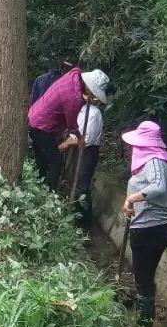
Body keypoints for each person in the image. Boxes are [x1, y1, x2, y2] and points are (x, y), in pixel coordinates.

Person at [120, 121, 167, 327]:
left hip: (151, 228)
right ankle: (144, 314)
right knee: (144, 274)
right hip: (153, 225)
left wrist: (132, 199)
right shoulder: (161, 160)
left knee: (143, 277)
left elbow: (160, 187)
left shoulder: (155, 161)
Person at [28, 67, 109, 190]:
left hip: (35, 118)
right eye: (92, 93)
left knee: (44, 158)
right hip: (42, 126)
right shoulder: (73, 97)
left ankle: (40, 185)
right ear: (87, 87)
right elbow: (72, 124)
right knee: (56, 162)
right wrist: (80, 137)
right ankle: (48, 194)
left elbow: (76, 70)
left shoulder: (74, 76)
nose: (92, 96)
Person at [58, 94, 104, 224]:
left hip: (88, 150)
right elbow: (75, 131)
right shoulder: (81, 111)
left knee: (82, 184)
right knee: (76, 181)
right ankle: (76, 214)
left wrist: (66, 143)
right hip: (78, 148)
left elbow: (87, 138)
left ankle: (84, 220)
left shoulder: (93, 113)